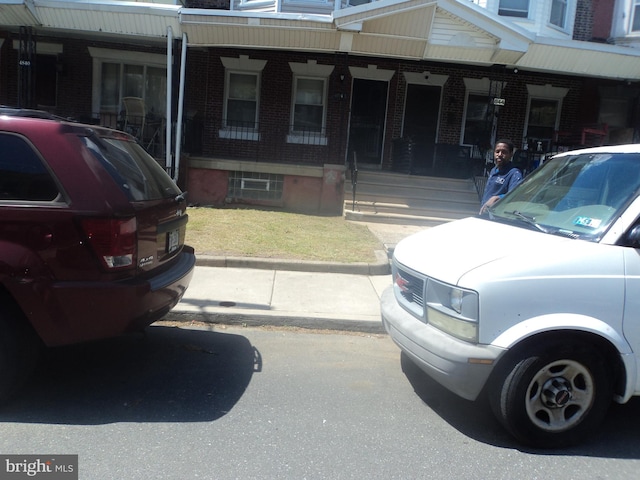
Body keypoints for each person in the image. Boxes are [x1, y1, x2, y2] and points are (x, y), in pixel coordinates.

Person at [480, 139, 523, 214]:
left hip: (498, 216)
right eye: (497, 151)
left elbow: (515, 195)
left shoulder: (514, 173)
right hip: (485, 212)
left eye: (504, 152)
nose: (499, 154)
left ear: (511, 154)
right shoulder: (494, 170)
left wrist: (497, 198)